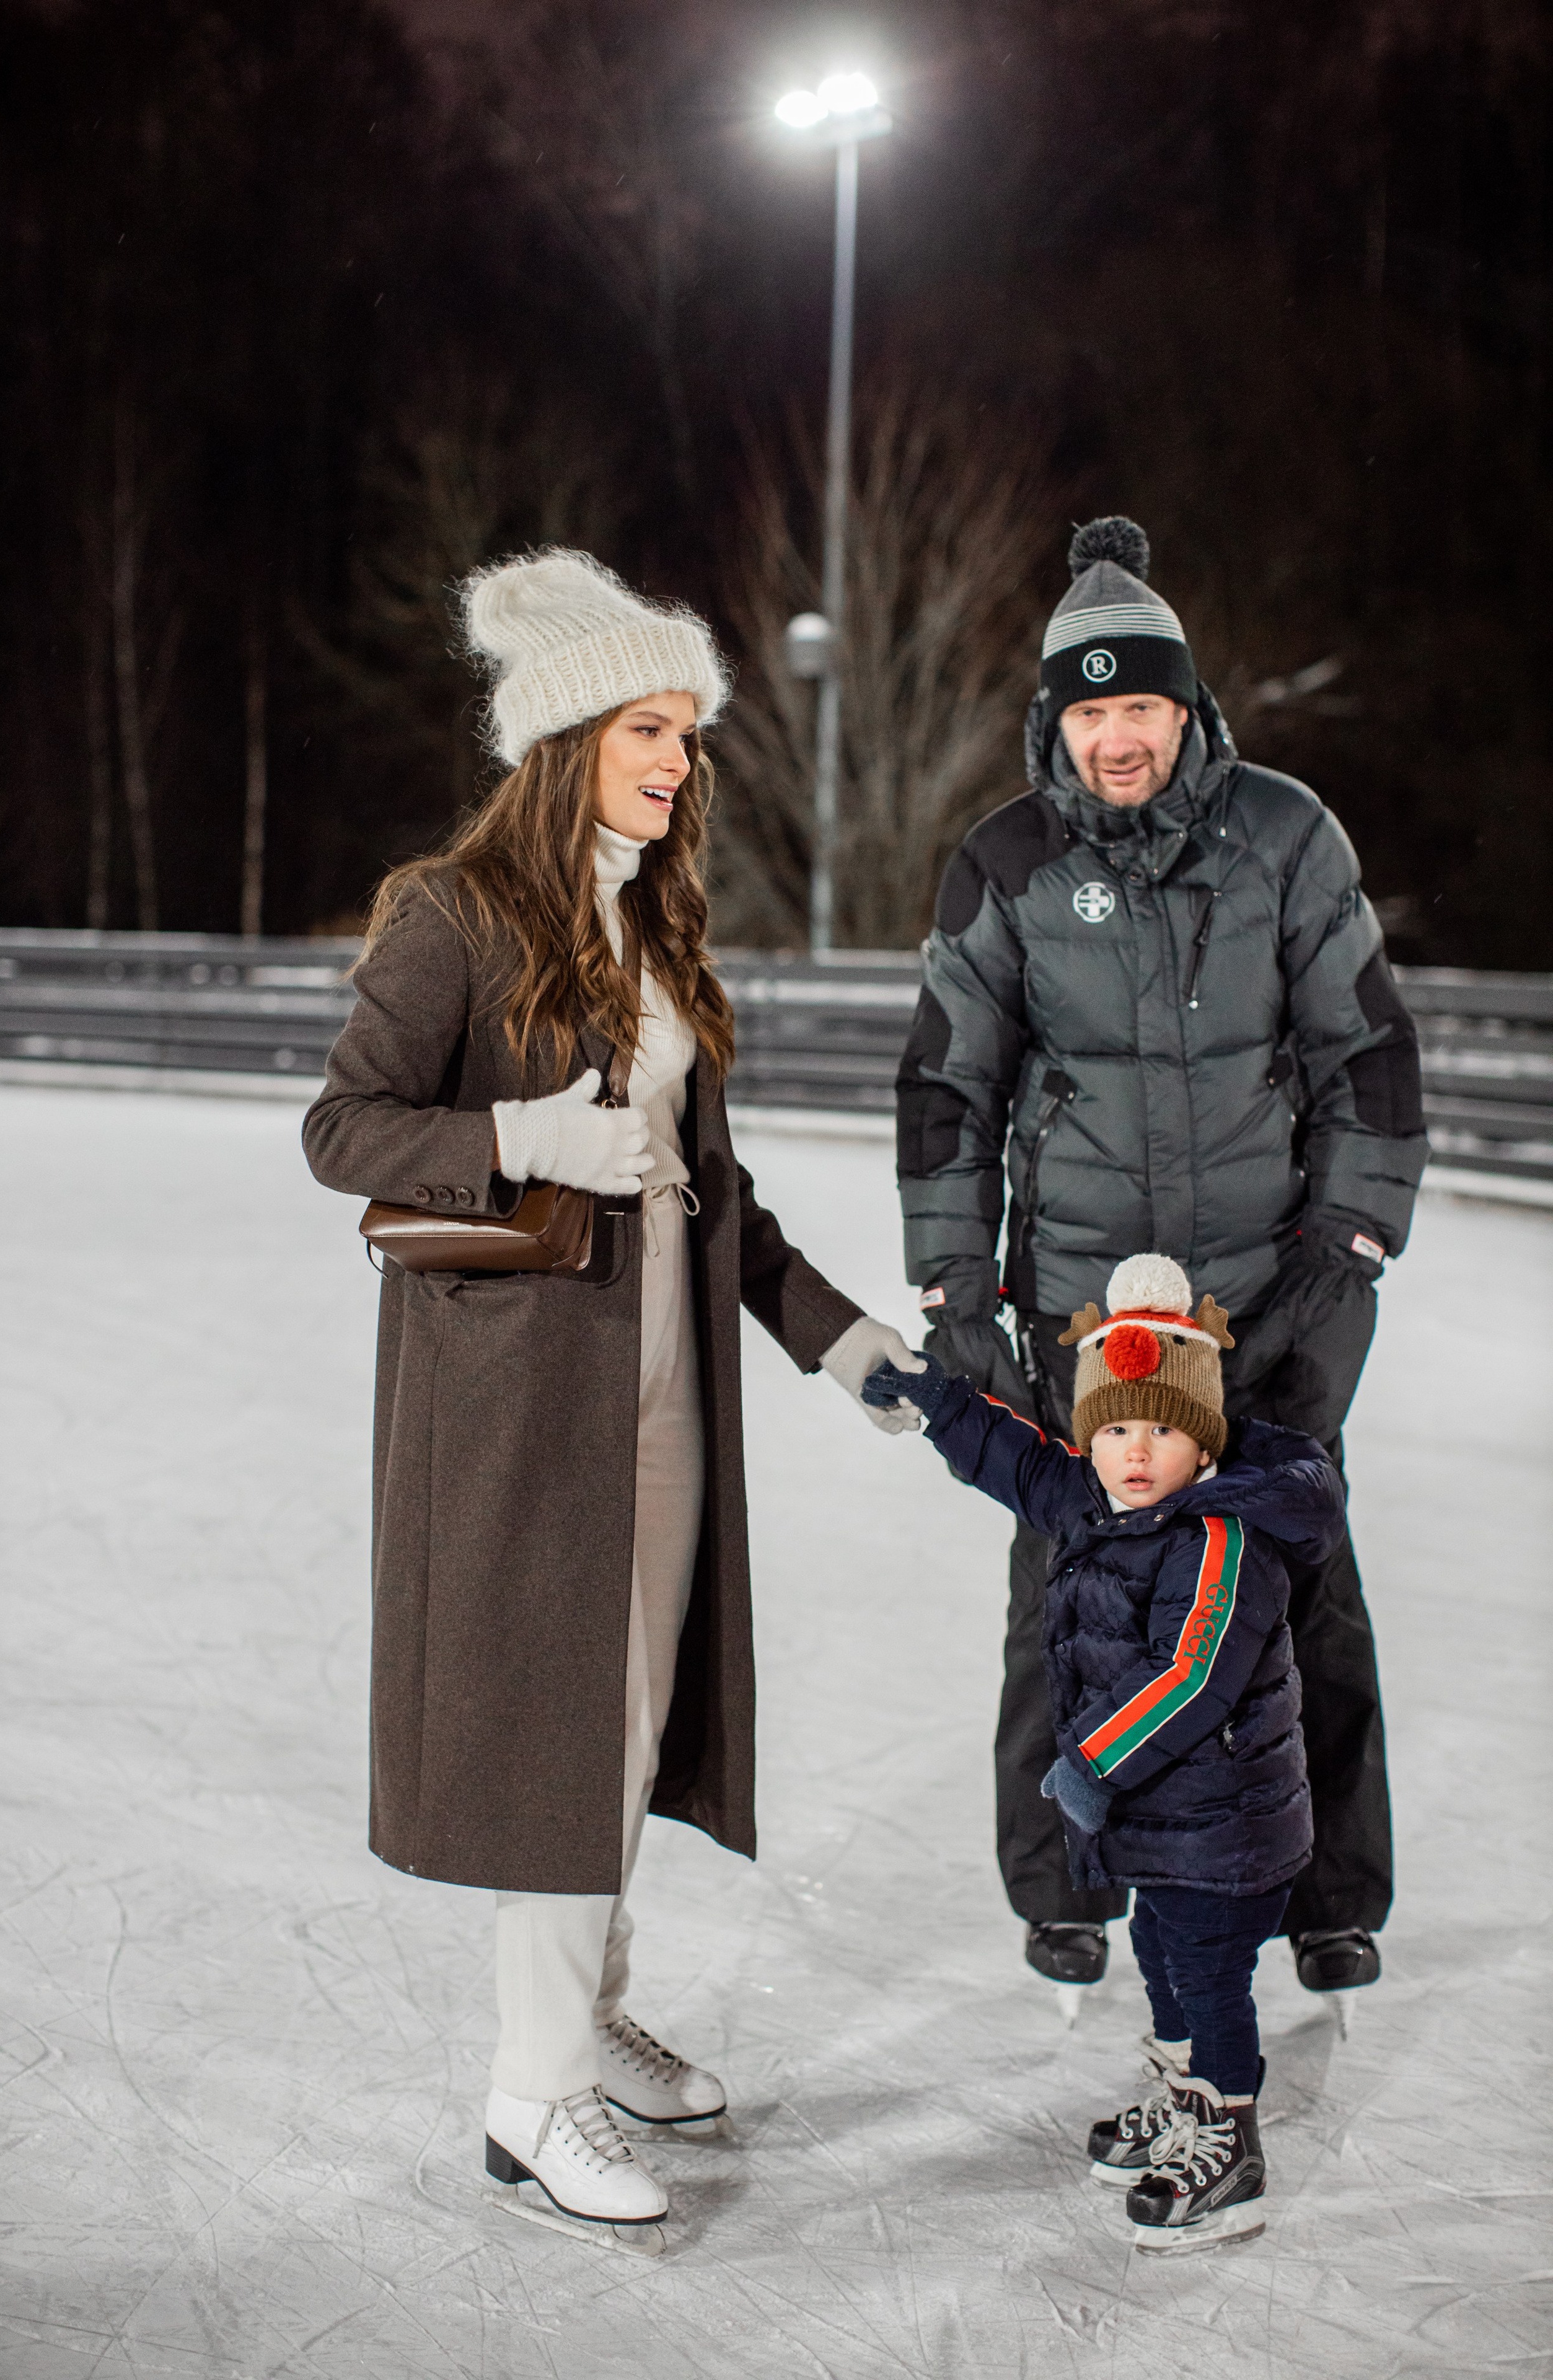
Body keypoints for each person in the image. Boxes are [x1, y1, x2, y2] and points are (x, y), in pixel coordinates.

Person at [303, 549, 922, 2250]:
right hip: (518, 1417)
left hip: (659, 1399)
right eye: (650, 726)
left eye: (689, 734)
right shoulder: (453, 912)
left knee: (625, 1729)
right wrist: (519, 1140)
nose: (678, 759)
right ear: (571, 736)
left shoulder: (650, 932)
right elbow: (344, 1130)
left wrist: (840, 1336)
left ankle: (586, 2020)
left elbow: (714, 1197)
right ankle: (531, 2094)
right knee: (556, 1741)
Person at [895, 515, 1426, 2006]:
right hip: (1084, 1321)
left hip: (1263, 1295)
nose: (1115, 737)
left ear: (1187, 710)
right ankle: (1067, 1883)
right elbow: (947, 1091)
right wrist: (954, 1294)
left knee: (1298, 1582)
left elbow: (1364, 1058)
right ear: (1049, 722)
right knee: (1072, 1586)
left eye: (1140, 706)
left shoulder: (1284, 836)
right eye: (1089, 708)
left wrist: (1350, 1251)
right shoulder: (1001, 863)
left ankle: (1329, 1893)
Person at [863, 1252, 1345, 2252]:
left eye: (1162, 1429)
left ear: (1202, 1440)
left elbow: (1194, 1673)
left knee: (1209, 1979)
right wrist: (939, 1403)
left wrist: (1090, 1764)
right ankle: (1181, 2100)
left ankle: (1229, 2138)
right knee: (1164, 1960)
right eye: (1116, 1427)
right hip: (1163, 1826)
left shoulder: (1222, 1537)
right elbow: (1019, 1460)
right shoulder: (1095, 1497)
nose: (1135, 1451)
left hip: (1225, 1827)